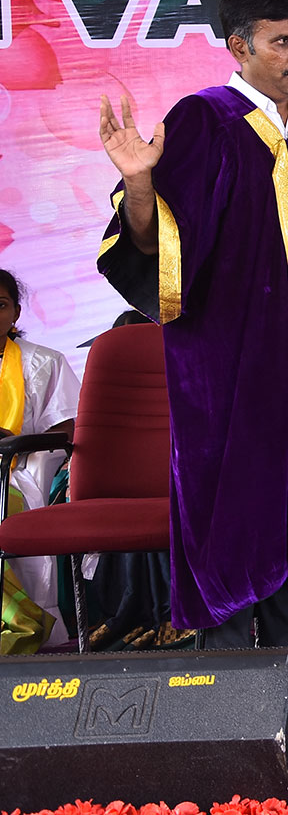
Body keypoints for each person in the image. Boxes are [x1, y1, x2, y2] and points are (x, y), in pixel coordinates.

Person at [97, 0, 288, 684]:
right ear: (239, 46)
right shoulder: (204, 120)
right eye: (281, 42)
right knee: (232, 506)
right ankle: (225, 667)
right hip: (228, 365)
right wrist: (139, 183)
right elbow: (156, 246)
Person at [0, 270, 80, 654]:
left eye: (0, 305)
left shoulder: (43, 362)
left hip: (18, 471)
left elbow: (66, 432)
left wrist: (9, 442)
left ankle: (23, 623)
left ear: (15, 312)